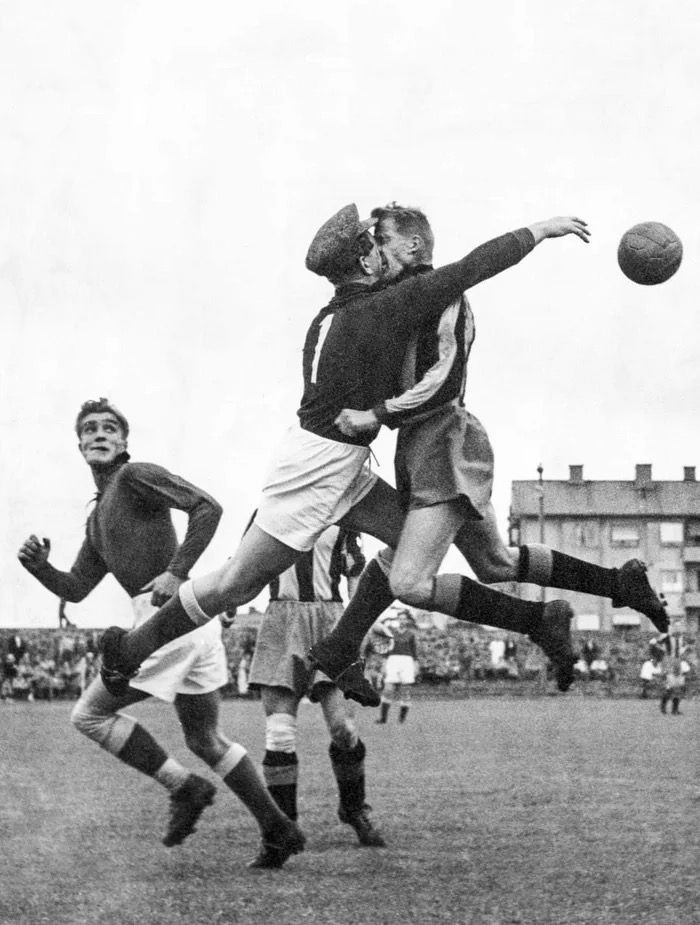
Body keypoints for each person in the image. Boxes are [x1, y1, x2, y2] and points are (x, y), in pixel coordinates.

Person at [99, 203, 595, 706]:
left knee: (410, 560)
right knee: (235, 586)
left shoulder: (337, 312)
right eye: (375, 247)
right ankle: (129, 650)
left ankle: (358, 646)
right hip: (314, 471)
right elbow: (470, 268)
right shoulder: (378, 310)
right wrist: (538, 230)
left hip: (341, 464)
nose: (383, 254)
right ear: (365, 263)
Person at [318, 203, 668, 696]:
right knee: (495, 564)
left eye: (382, 237)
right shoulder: (393, 296)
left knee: (410, 582)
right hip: (423, 445)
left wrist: (375, 414)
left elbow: (442, 385)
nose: (374, 247)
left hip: (444, 440)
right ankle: (620, 583)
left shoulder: (442, 296)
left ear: (413, 245)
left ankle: (540, 619)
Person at [18, 398, 303, 865]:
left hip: (166, 617)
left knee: (88, 716)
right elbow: (76, 588)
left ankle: (185, 787)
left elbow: (207, 507)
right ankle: (277, 828)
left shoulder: (134, 476)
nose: (99, 433)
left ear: (124, 442)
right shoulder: (97, 516)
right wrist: (39, 568)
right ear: (79, 444)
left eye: (110, 427)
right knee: (205, 739)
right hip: (187, 623)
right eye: (89, 429)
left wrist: (177, 570)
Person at [247, 523, 384, 867]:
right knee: (279, 734)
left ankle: (353, 808)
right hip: (282, 620)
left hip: (331, 622)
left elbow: (356, 580)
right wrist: (229, 603)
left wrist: (369, 621)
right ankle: (282, 831)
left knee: (344, 731)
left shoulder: (344, 520)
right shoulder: (269, 513)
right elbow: (248, 567)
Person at [376, 610, 417, 724]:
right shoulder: (391, 633)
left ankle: (401, 720)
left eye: (404, 618)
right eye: (400, 618)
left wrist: (415, 666)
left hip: (407, 661)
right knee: (388, 689)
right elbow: (387, 650)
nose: (402, 620)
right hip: (393, 660)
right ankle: (383, 718)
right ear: (397, 620)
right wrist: (384, 665)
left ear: (407, 620)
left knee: (406, 690)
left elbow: (414, 653)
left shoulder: (411, 634)